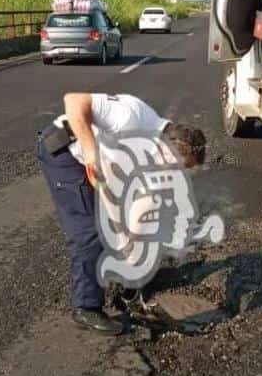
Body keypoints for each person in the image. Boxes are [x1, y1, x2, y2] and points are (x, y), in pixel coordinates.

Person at [36, 93, 206, 335]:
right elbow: (74, 100)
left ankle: (124, 281)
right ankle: (86, 307)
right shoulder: (132, 116)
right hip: (65, 152)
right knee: (89, 232)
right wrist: (91, 151)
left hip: (99, 169)